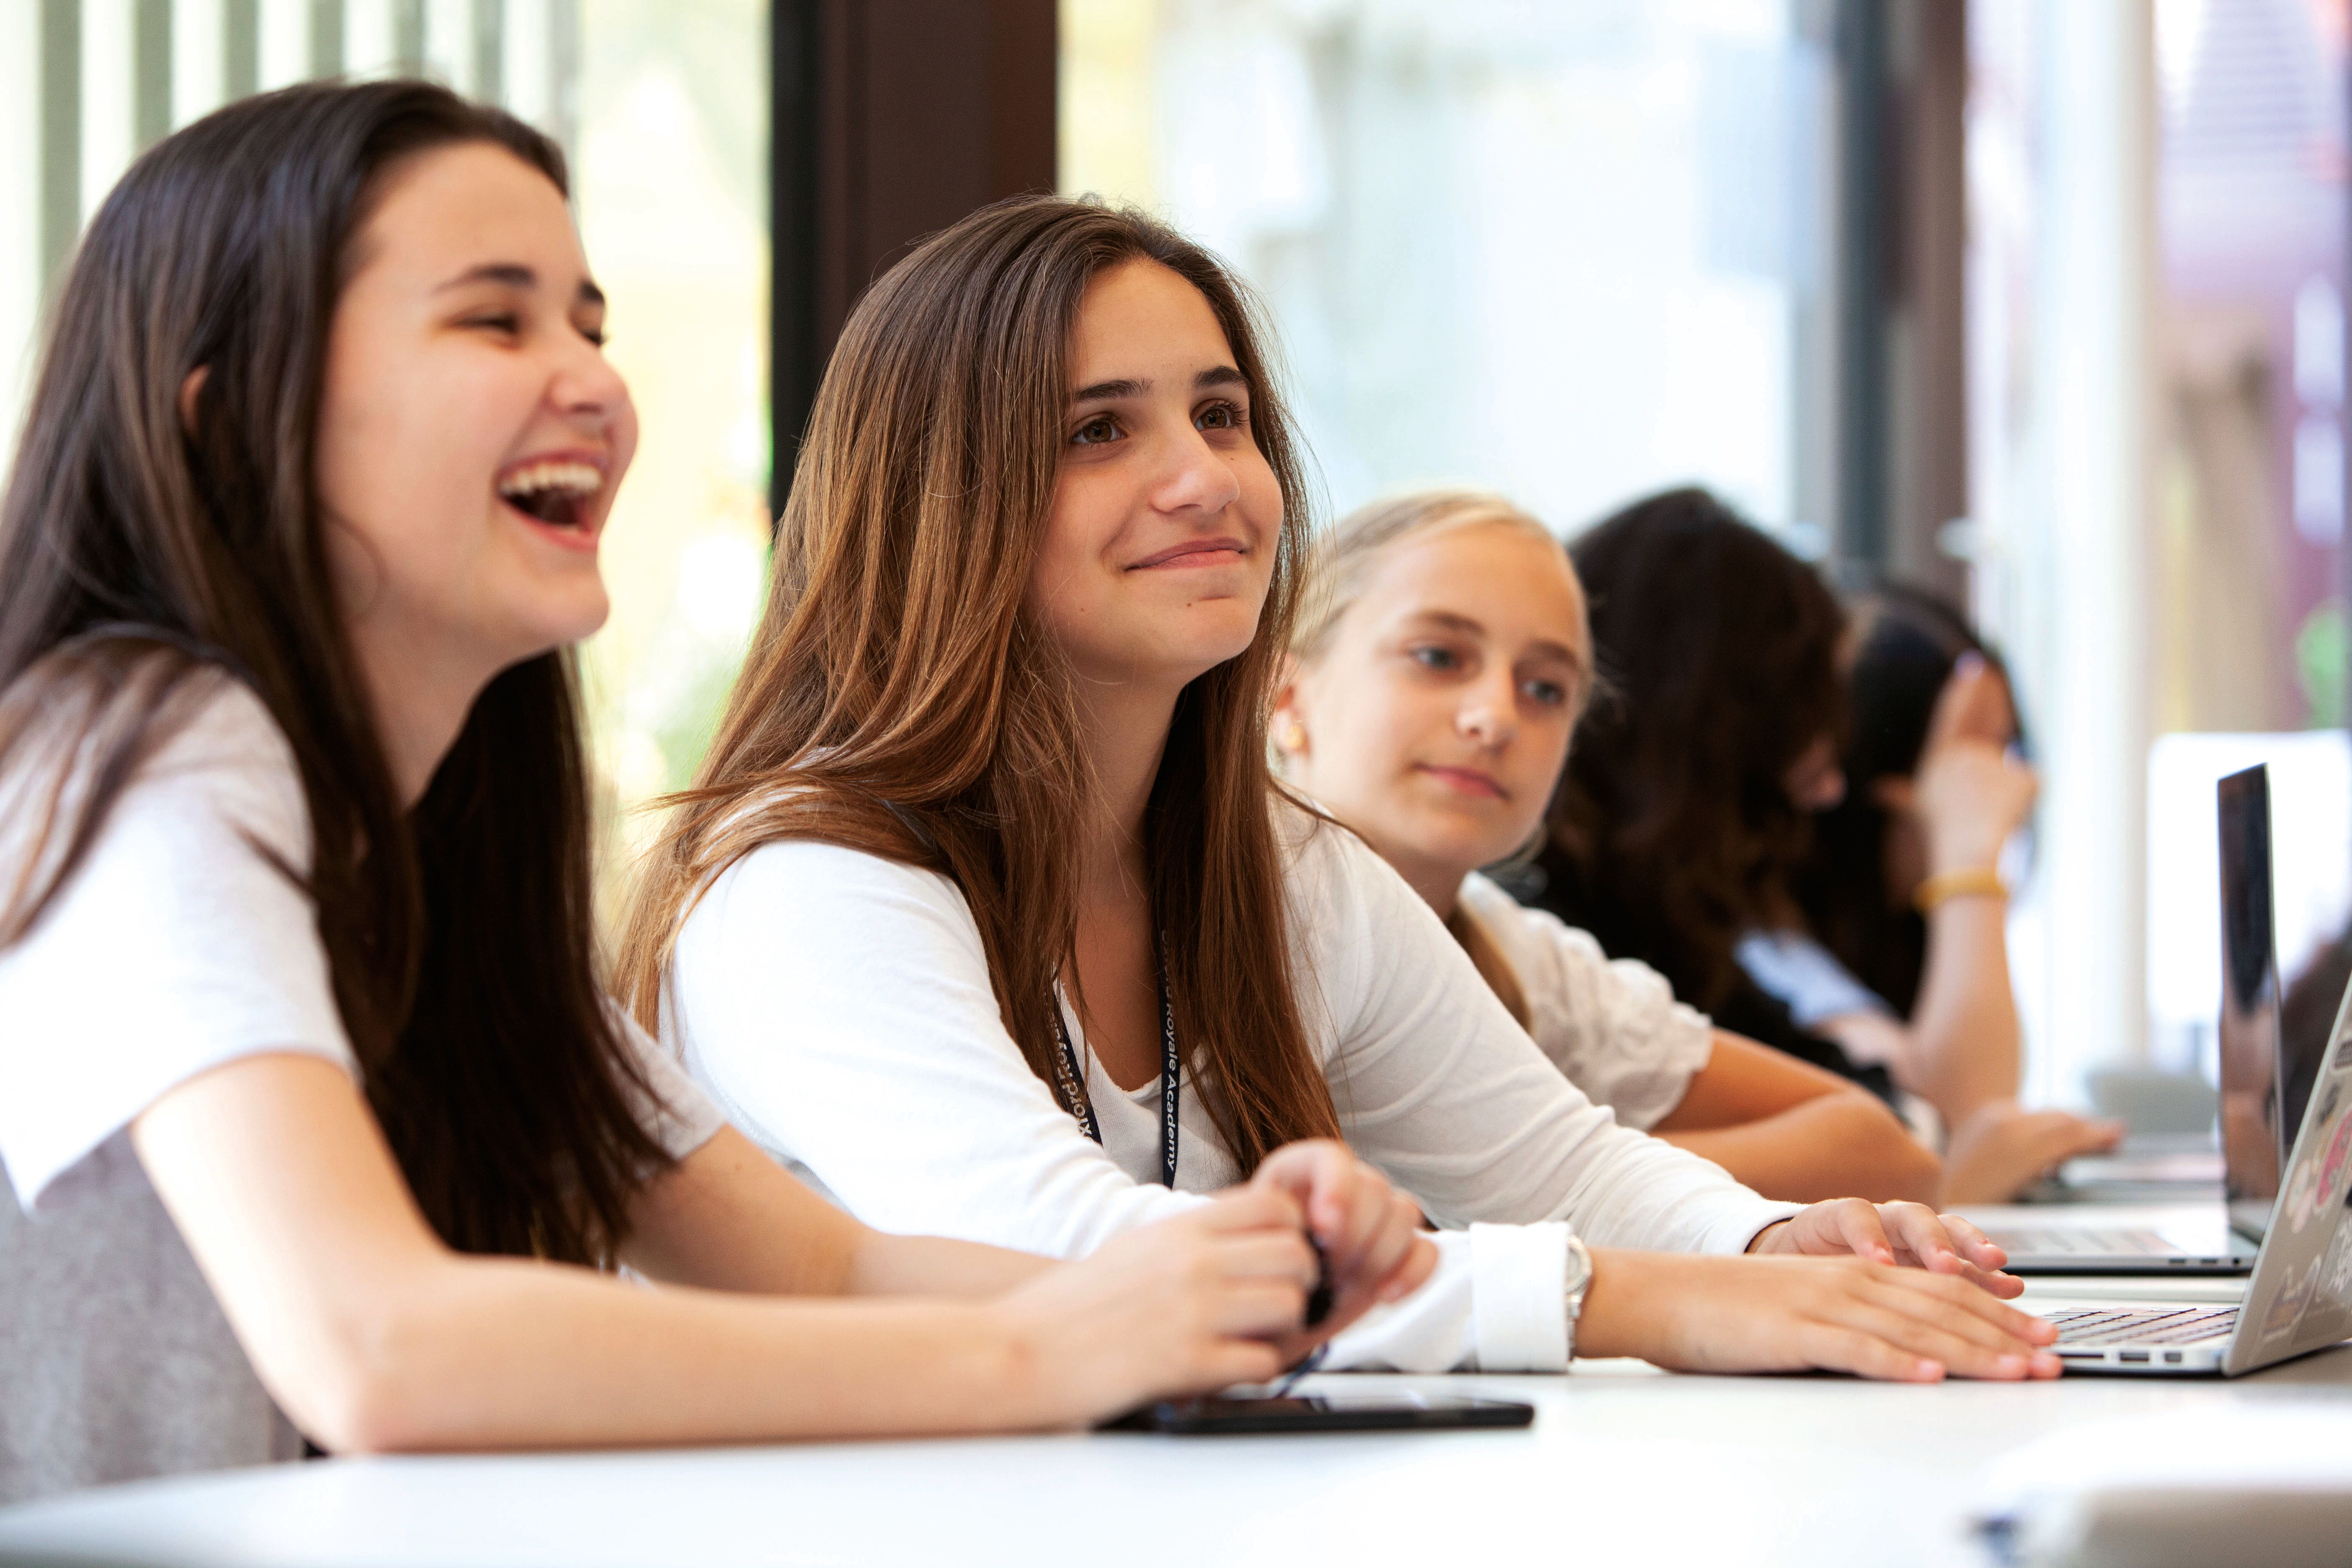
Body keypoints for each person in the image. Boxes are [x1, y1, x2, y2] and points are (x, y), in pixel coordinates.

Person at [0, 83, 1421, 1506]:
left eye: (590, 325)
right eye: (496, 321)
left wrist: (1214, 1278)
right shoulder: (131, 752)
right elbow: (378, 1347)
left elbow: (825, 1263)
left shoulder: (429, 842)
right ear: (230, 422)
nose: (595, 385)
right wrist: (1043, 1355)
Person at [622, 193, 2061, 1384]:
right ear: (943, 499)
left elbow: (1556, 1159)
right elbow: (1065, 1254)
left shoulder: (1279, 865)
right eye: (1099, 430)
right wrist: (1637, 1298)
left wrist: (1762, 1248)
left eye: (1221, 413)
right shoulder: (808, 880)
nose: (1206, 479)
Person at [1269, 489, 1939, 1204]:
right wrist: (1557, 1182)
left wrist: (1566, 1168)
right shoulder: (1218, 911)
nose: (1496, 717)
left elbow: (1890, 1153)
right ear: (1286, 698)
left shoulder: (1518, 954)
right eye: (1438, 656)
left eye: (1545, 689)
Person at [1531, 489, 2113, 1203]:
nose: (1821, 789)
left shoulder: (1664, 928)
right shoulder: (1552, 912)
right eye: (1801, 731)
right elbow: (1920, 1140)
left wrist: (1913, 1164)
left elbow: (1896, 1129)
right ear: (1710, 734)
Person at [1786, 586, 2121, 1196]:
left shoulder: (1896, 940)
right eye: (1979, 748)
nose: (2014, 781)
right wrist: (1968, 852)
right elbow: (1962, 1128)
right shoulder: (1771, 948)